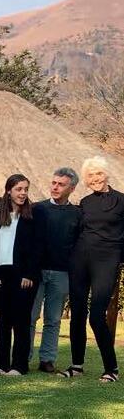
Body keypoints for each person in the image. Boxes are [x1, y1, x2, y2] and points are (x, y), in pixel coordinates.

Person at [62, 156, 123, 382]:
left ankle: (111, 369)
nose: (95, 178)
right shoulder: (85, 202)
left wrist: (119, 260)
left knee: (97, 316)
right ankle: (76, 365)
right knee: (77, 313)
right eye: (90, 175)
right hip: (80, 260)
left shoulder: (121, 201)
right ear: (86, 180)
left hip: (107, 261)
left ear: (106, 174)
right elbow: (77, 231)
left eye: (99, 173)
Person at [0, 174, 40, 376]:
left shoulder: (32, 218)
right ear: (9, 191)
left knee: (21, 322)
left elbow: (37, 250)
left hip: (23, 276)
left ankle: (19, 365)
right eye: (19, 189)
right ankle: (1, 364)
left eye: (26, 189)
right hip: (2, 274)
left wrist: (29, 274)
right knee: (2, 322)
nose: (23, 193)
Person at [29, 168, 80, 373]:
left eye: (61, 184)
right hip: (35, 272)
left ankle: (47, 359)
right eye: (54, 183)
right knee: (30, 316)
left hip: (62, 273)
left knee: (53, 319)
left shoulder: (77, 214)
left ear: (72, 188)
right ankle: (23, 356)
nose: (55, 187)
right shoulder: (36, 209)